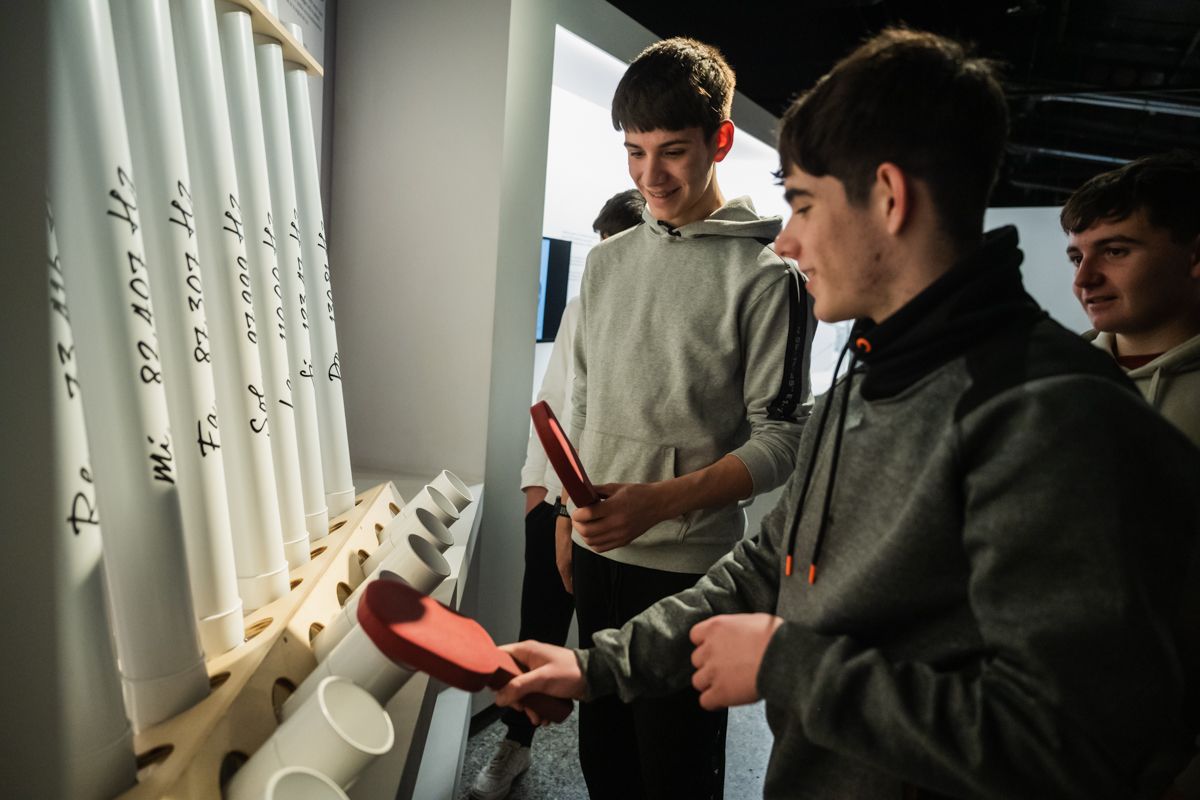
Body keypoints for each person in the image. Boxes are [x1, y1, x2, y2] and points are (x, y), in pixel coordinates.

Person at [497, 28, 1200, 799]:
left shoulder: (1056, 420)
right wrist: (596, 668)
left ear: (890, 199)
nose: (788, 242)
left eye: (802, 203)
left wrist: (785, 665)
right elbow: (771, 564)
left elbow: (1077, 745)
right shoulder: (863, 384)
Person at [556, 37, 813, 800]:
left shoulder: (769, 277)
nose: (649, 175)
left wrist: (657, 504)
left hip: (691, 571)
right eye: (634, 152)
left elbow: (784, 436)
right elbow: (582, 401)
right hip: (598, 554)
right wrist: (569, 519)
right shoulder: (607, 262)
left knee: (673, 775)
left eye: (671, 151)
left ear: (721, 140)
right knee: (604, 764)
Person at [470, 188, 645, 800]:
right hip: (553, 499)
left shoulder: (654, 319)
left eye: (613, 251)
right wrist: (535, 490)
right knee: (538, 628)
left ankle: (611, 771)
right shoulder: (580, 307)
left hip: (616, 508)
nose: (603, 266)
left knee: (607, 650)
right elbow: (552, 403)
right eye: (598, 251)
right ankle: (514, 748)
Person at [1062, 151, 1200, 446]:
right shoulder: (1047, 377)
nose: (1083, 279)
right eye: (1077, 258)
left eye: (1115, 251)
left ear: (1195, 256)